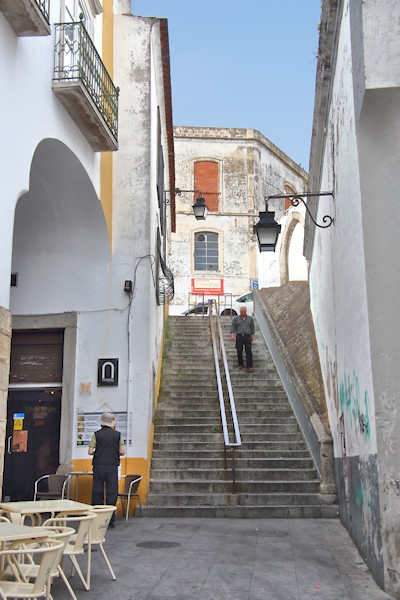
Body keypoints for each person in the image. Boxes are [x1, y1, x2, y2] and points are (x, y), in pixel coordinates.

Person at [88, 412, 125, 527]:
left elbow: (90, 451)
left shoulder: (96, 435)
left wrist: (97, 452)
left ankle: (97, 516)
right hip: (112, 466)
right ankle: (110, 519)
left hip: (99, 465)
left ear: (101, 424)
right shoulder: (117, 435)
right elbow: (122, 452)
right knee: (111, 492)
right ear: (111, 424)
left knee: (97, 490)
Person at [231, 306, 255, 372]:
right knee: (239, 349)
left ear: (246, 311)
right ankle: (240, 363)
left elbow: (252, 327)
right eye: (242, 312)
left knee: (249, 350)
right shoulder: (236, 319)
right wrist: (232, 335)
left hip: (247, 336)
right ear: (240, 312)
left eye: (244, 312)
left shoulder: (250, 319)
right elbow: (233, 327)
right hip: (239, 336)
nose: (243, 313)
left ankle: (249, 366)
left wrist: (252, 335)